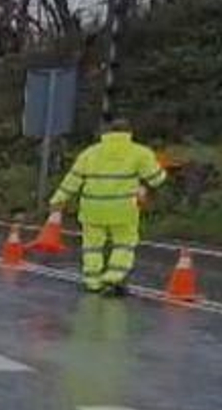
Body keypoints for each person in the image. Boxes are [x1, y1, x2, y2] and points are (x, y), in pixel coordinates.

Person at [49, 118, 167, 297]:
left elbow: (73, 179)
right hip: (123, 209)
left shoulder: (90, 153)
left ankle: (93, 281)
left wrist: (58, 200)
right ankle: (113, 278)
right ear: (129, 133)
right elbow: (156, 179)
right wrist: (160, 170)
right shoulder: (140, 153)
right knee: (124, 243)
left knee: (92, 246)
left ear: (106, 133)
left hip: (92, 208)